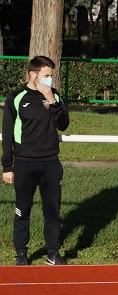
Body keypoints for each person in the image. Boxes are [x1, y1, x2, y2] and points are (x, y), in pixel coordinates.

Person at [2, 56, 70, 265]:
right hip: (24, 162)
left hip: (50, 162)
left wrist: (51, 100)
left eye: (51, 75)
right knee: (23, 209)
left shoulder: (54, 95)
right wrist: (7, 166)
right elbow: (7, 134)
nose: (50, 79)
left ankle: (52, 253)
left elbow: (64, 124)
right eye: (46, 75)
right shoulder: (16, 97)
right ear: (33, 74)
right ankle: (21, 253)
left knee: (52, 210)